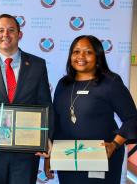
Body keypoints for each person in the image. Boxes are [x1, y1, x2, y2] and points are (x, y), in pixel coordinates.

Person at [0, 14, 53, 184]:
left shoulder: (37, 64)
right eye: (0, 31)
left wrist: (47, 137)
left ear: (19, 34)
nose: (5, 34)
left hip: (25, 153)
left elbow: (45, 104)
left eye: (11, 30)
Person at [44, 35, 137, 183]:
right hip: (67, 158)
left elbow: (132, 119)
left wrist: (114, 145)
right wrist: (50, 156)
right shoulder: (63, 84)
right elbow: (57, 122)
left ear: (98, 56)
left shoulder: (110, 82)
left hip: (102, 157)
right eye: (76, 52)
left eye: (88, 52)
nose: (81, 56)